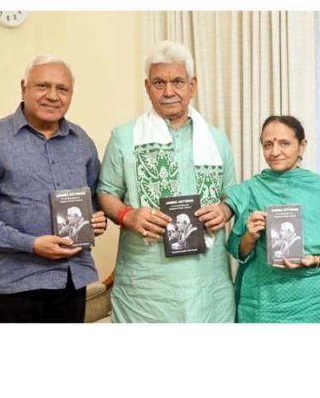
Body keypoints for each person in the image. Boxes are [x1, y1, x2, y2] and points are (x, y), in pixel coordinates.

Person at [0, 55, 107, 323]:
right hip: (15, 287)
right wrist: (32, 245)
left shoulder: (81, 142)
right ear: (23, 88)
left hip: (73, 283)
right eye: (42, 86)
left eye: (62, 89)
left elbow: (96, 198)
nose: (53, 96)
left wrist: (96, 219)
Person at [96, 40, 237, 322]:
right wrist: (128, 215)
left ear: (192, 86)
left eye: (178, 82)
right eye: (159, 83)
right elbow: (105, 193)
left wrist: (224, 211)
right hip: (146, 286)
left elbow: (231, 194)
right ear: (147, 87)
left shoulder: (217, 139)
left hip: (207, 283)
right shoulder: (124, 137)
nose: (169, 91)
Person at [208, 115, 320, 323]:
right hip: (264, 299)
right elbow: (239, 252)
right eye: (268, 144)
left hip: (312, 300)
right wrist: (250, 236)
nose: (275, 152)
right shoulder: (252, 188)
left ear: (302, 146)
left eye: (284, 143)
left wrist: (312, 260)